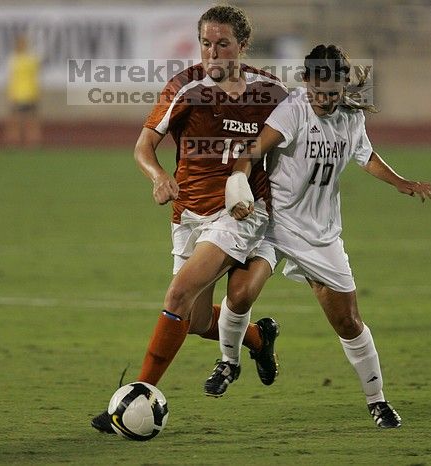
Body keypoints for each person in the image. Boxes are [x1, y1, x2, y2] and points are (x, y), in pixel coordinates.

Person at [91, 5, 288, 434]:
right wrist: (159, 176)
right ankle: (257, 338)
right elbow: (143, 147)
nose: (213, 53)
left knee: (177, 293)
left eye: (223, 44)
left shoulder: (270, 91)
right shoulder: (185, 87)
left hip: (242, 212)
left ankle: (136, 396)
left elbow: (293, 148)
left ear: (243, 45)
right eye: (205, 43)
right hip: (190, 214)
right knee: (195, 320)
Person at [225, 44, 431, 429]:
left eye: (333, 92)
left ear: (343, 85)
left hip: (321, 235)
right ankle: (228, 363)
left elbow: (366, 156)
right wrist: (238, 180)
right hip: (275, 225)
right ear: (306, 81)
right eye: (318, 90)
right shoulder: (293, 110)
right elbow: (252, 152)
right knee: (239, 294)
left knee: (349, 323)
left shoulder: (351, 117)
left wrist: (401, 183)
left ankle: (377, 401)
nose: (325, 99)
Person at [4, 34, 42, 147]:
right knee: (15, 121)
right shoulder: (13, 60)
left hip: (30, 93)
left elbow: (36, 78)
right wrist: (11, 94)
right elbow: (11, 79)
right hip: (17, 94)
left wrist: (37, 92)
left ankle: (33, 142)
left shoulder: (31, 60)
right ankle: (13, 141)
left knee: (32, 120)